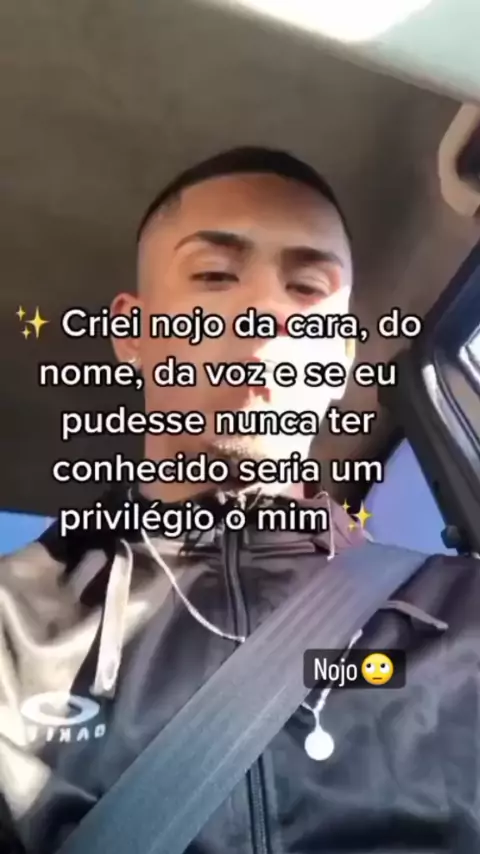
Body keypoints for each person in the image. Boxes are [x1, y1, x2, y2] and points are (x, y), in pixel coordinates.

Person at [1, 146, 479, 854]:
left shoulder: (462, 615)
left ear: (341, 355)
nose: (266, 312)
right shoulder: (13, 628)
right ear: (133, 333)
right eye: (216, 275)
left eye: (307, 289)